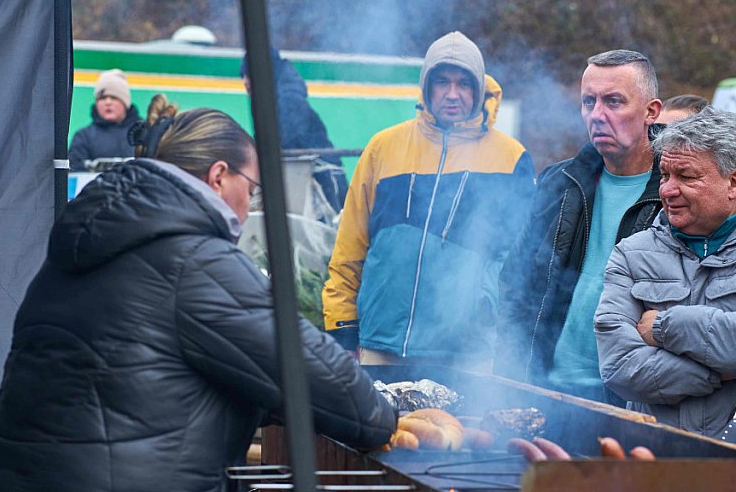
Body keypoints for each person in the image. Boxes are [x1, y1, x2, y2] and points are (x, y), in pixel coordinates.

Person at [0, 95, 396, 492]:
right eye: (253, 189)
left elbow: (141, 380)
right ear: (219, 176)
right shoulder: (196, 261)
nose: (249, 207)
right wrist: (385, 415)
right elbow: (335, 388)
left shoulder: (83, 243)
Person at [322, 31, 535, 370]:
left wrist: (484, 307)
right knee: (382, 426)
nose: (453, 94)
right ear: (426, 87)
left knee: (466, 427)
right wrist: (342, 328)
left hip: (465, 355)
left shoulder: (511, 158)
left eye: (464, 84)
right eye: (442, 83)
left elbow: (519, 260)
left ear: (478, 89)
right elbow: (350, 245)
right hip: (380, 345)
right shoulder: (383, 147)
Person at [495, 50, 663, 404]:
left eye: (614, 102)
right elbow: (515, 281)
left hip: (628, 398)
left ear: (652, 111)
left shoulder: (676, 191)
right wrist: (509, 373)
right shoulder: (560, 181)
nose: (598, 115)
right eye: (589, 102)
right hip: (543, 388)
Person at [596, 107, 736, 440]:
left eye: (686, 177)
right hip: (651, 459)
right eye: (664, 175)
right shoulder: (631, 254)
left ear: (732, 183)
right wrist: (719, 373)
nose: (667, 191)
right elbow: (618, 366)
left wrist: (662, 326)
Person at [241, 49, 349, 213]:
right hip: (318, 181)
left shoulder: (288, 101)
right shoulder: (274, 97)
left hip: (321, 185)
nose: (245, 82)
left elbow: (279, 146)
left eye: (247, 76)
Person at [69, 68, 141, 171]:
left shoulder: (143, 133)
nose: (108, 102)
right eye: (102, 98)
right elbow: (75, 171)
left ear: (125, 103)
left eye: (114, 97)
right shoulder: (83, 137)